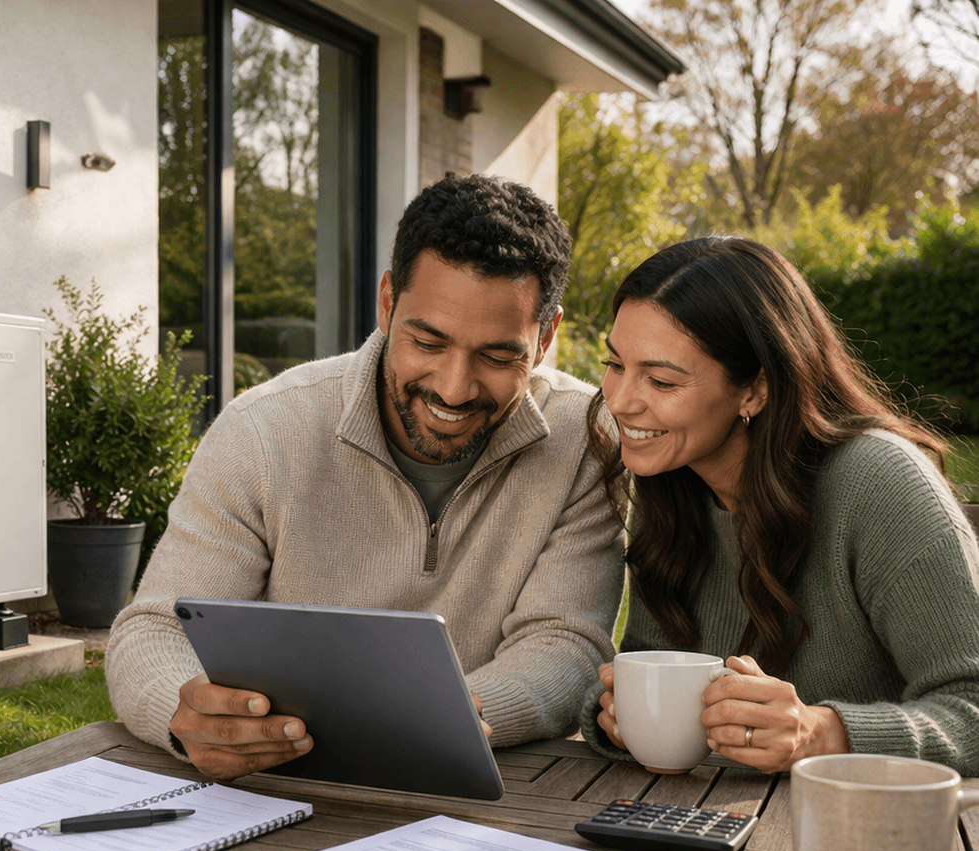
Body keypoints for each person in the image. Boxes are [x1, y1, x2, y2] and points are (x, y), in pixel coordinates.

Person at [106, 173, 626, 780]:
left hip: (496, 787)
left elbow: (566, 643)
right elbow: (155, 628)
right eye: (427, 340)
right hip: (278, 781)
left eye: (497, 355)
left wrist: (450, 718)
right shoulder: (262, 431)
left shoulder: (585, 440)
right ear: (387, 303)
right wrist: (185, 713)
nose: (453, 388)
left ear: (545, 338)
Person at [580, 235, 979, 776]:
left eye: (661, 379)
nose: (621, 400)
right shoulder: (671, 484)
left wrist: (822, 733)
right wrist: (621, 717)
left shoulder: (880, 484)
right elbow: (658, 676)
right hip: (706, 823)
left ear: (754, 391)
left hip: (875, 833)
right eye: (614, 363)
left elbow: (971, 711)